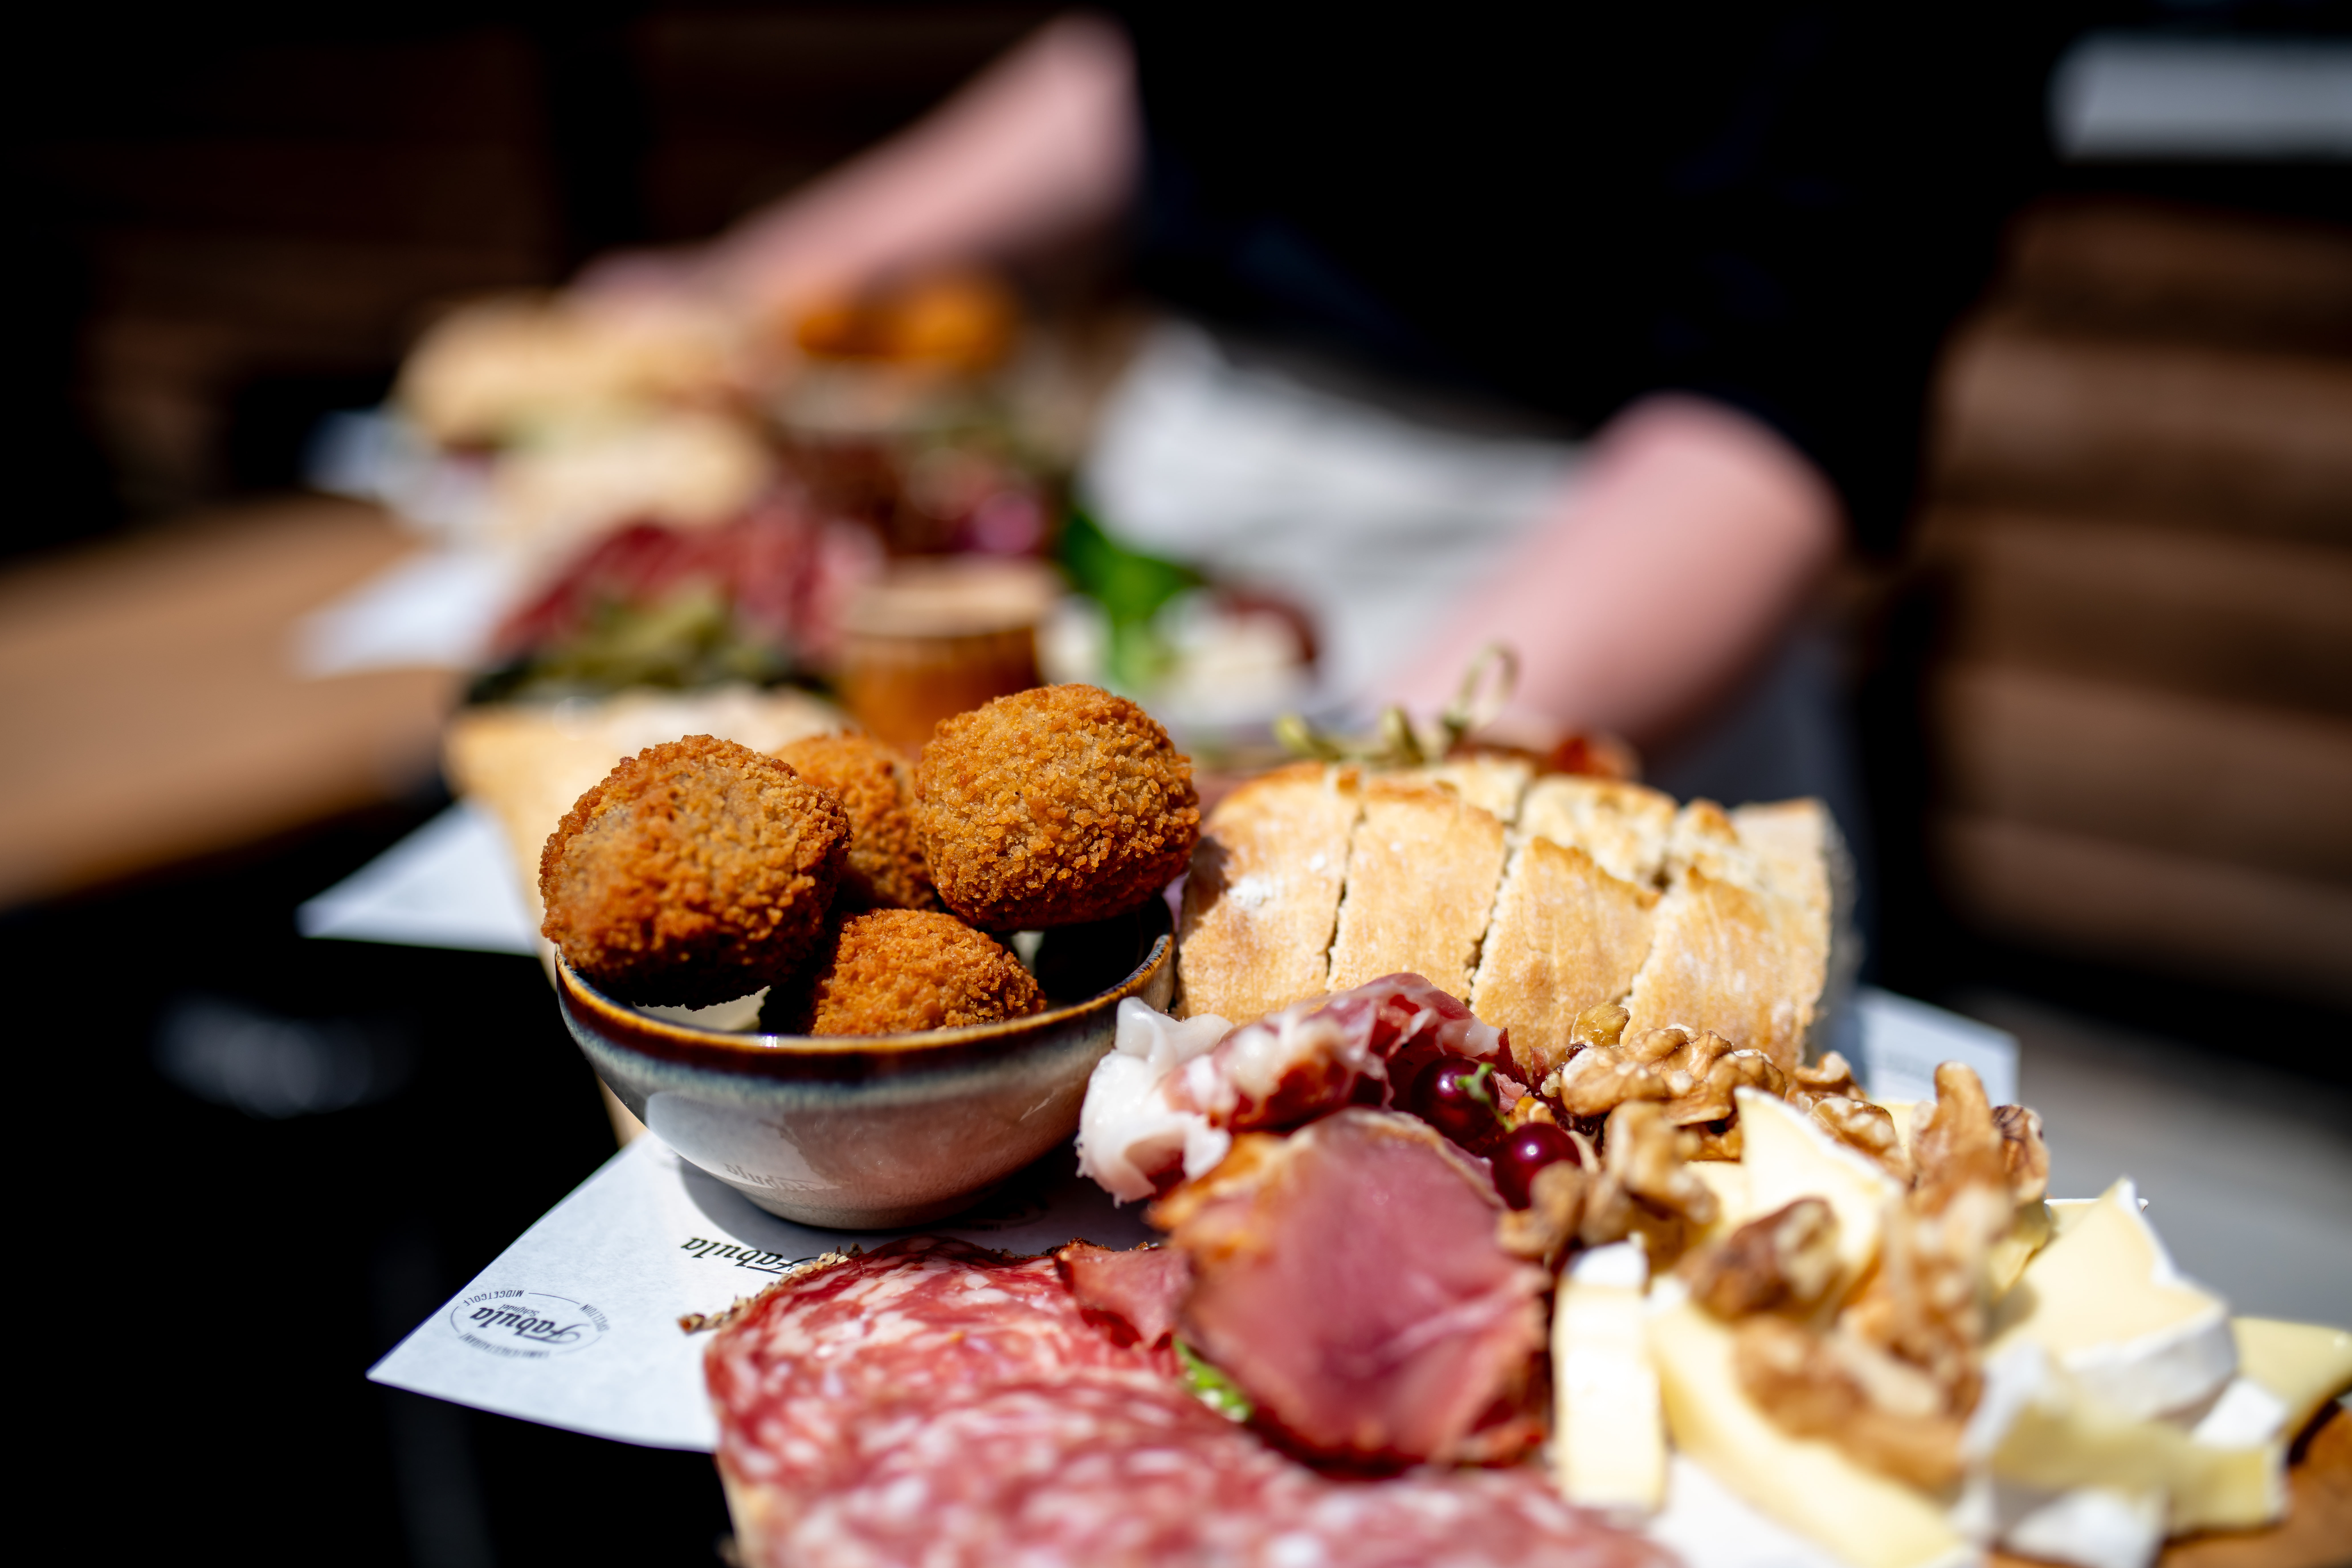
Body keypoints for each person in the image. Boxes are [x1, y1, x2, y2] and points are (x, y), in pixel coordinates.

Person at [586, 9, 2065, 779]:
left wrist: (1347, 800)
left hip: (1586, 591)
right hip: (1167, 524)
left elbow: (1794, 374)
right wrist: (751, 284)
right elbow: (1174, 72)